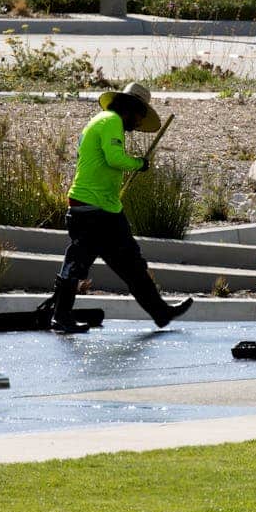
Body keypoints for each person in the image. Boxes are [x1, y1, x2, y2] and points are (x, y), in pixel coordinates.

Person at [51, 82, 193, 334]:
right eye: (139, 116)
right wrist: (140, 163)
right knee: (77, 262)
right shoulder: (111, 121)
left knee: (132, 263)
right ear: (131, 107)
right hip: (90, 209)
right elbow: (114, 158)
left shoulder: (101, 121)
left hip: (107, 209)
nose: (138, 123)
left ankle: (160, 312)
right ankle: (61, 315)